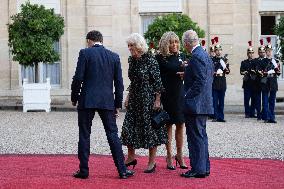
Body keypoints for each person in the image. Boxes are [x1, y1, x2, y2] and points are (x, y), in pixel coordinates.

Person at [71, 30, 134, 179]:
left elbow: (78, 78)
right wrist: (117, 104)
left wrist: (74, 97)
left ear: (89, 41)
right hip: (107, 101)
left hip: (87, 100)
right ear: (101, 40)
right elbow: (119, 84)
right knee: (113, 135)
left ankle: (84, 170)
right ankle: (122, 170)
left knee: (84, 134)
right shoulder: (114, 56)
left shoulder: (85, 53)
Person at [121, 33, 168, 173]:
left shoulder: (150, 60)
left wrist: (158, 100)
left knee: (150, 129)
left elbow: (158, 82)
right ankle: (130, 157)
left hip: (148, 99)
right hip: (135, 98)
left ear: (139, 46)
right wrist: (128, 96)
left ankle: (152, 162)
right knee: (129, 127)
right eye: (128, 45)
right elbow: (133, 81)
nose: (129, 48)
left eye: (132, 45)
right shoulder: (132, 60)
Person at [181, 30, 214, 178]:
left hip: (196, 104)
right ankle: (204, 168)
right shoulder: (204, 54)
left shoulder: (196, 56)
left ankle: (198, 169)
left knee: (195, 137)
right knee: (201, 136)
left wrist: (187, 95)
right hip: (203, 103)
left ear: (187, 43)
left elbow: (200, 80)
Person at [155, 31, 187, 170]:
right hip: (166, 95)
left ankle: (179, 155)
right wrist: (157, 98)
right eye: (171, 42)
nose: (174, 44)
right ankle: (168, 155)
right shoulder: (160, 58)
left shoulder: (182, 56)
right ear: (165, 43)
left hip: (180, 94)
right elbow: (156, 79)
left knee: (180, 124)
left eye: (176, 42)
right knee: (167, 125)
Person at [260, 37, 281, 123]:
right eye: (267, 51)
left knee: (272, 101)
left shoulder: (275, 61)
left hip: (273, 81)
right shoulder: (263, 61)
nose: (269, 52)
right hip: (266, 81)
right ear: (265, 52)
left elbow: (278, 73)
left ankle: (272, 117)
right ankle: (267, 117)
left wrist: (276, 69)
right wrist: (267, 72)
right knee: (265, 101)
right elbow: (260, 72)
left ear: (272, 51)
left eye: (270, 51)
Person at [212, 37, 230, 122]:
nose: (218, 52)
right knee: (215, 101)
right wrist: (214, 72)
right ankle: (215, 116)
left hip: (222, 81)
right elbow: (209, 71)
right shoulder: (212, 60)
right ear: (215, 51)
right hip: (215, 81)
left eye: (220, 50)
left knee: (221, 102)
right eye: (217, 50)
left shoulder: (224, 60)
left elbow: (228, 71)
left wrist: (225, 67)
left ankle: (221, 117)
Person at [251, 39, 265, 120]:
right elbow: (251, 69)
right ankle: (259, 114)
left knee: (264, 99)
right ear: (258, 52)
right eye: (260, 52)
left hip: (265, 82)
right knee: (257, 99)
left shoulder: (267, 61)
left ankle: (263, 113)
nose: (262, 53)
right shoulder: (255, 60)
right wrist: (256, 71)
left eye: (263, 52)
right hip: (257, 82)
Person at [240, 41, 255, 118]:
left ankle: (252, 113)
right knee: (246, 99)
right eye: (249, 53)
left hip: (254, 83)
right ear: (247, 54)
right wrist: (245, 72)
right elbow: (241, 71)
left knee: (253, 99)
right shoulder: (244, 62)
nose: (251, 54)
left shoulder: (256, 62)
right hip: (246, 83)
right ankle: (247, 113)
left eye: (252, 53)